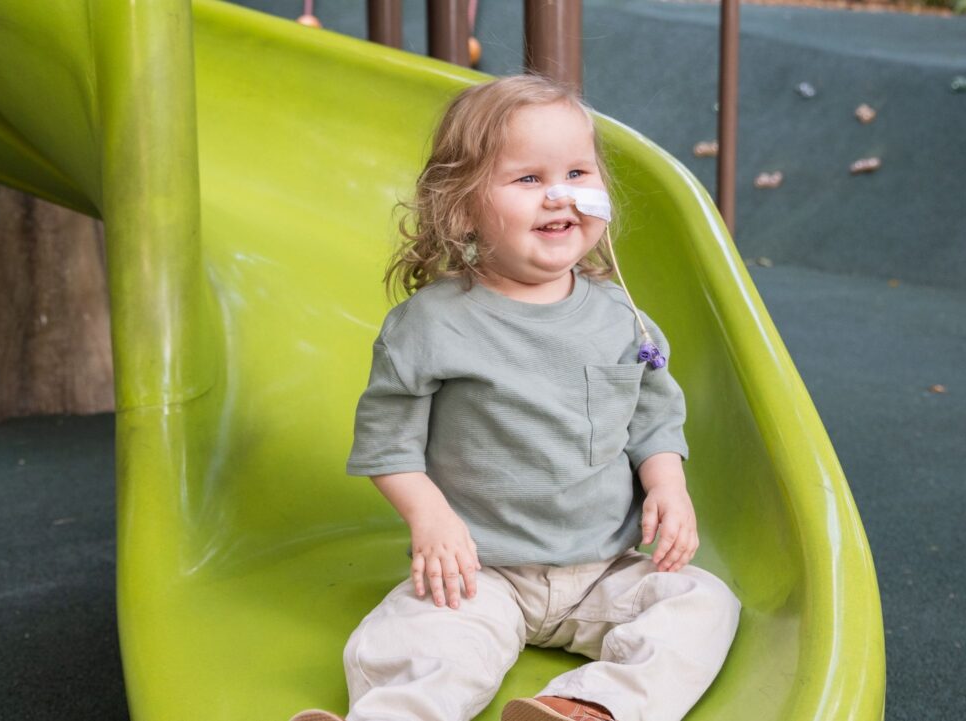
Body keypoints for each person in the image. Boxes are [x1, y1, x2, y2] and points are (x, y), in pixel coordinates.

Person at [290, 74, 741, 721]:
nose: (561, 195)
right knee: (429, 645)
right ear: (463, 206)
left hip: (605, 569)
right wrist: (431, 517)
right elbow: (388, 442)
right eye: (528, 179)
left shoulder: (622, 318)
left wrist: (667, 483)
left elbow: (652, 415)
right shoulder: (432, 324)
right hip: (480, 572)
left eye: (579, 172)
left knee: (704, 603)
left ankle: (591, 706)